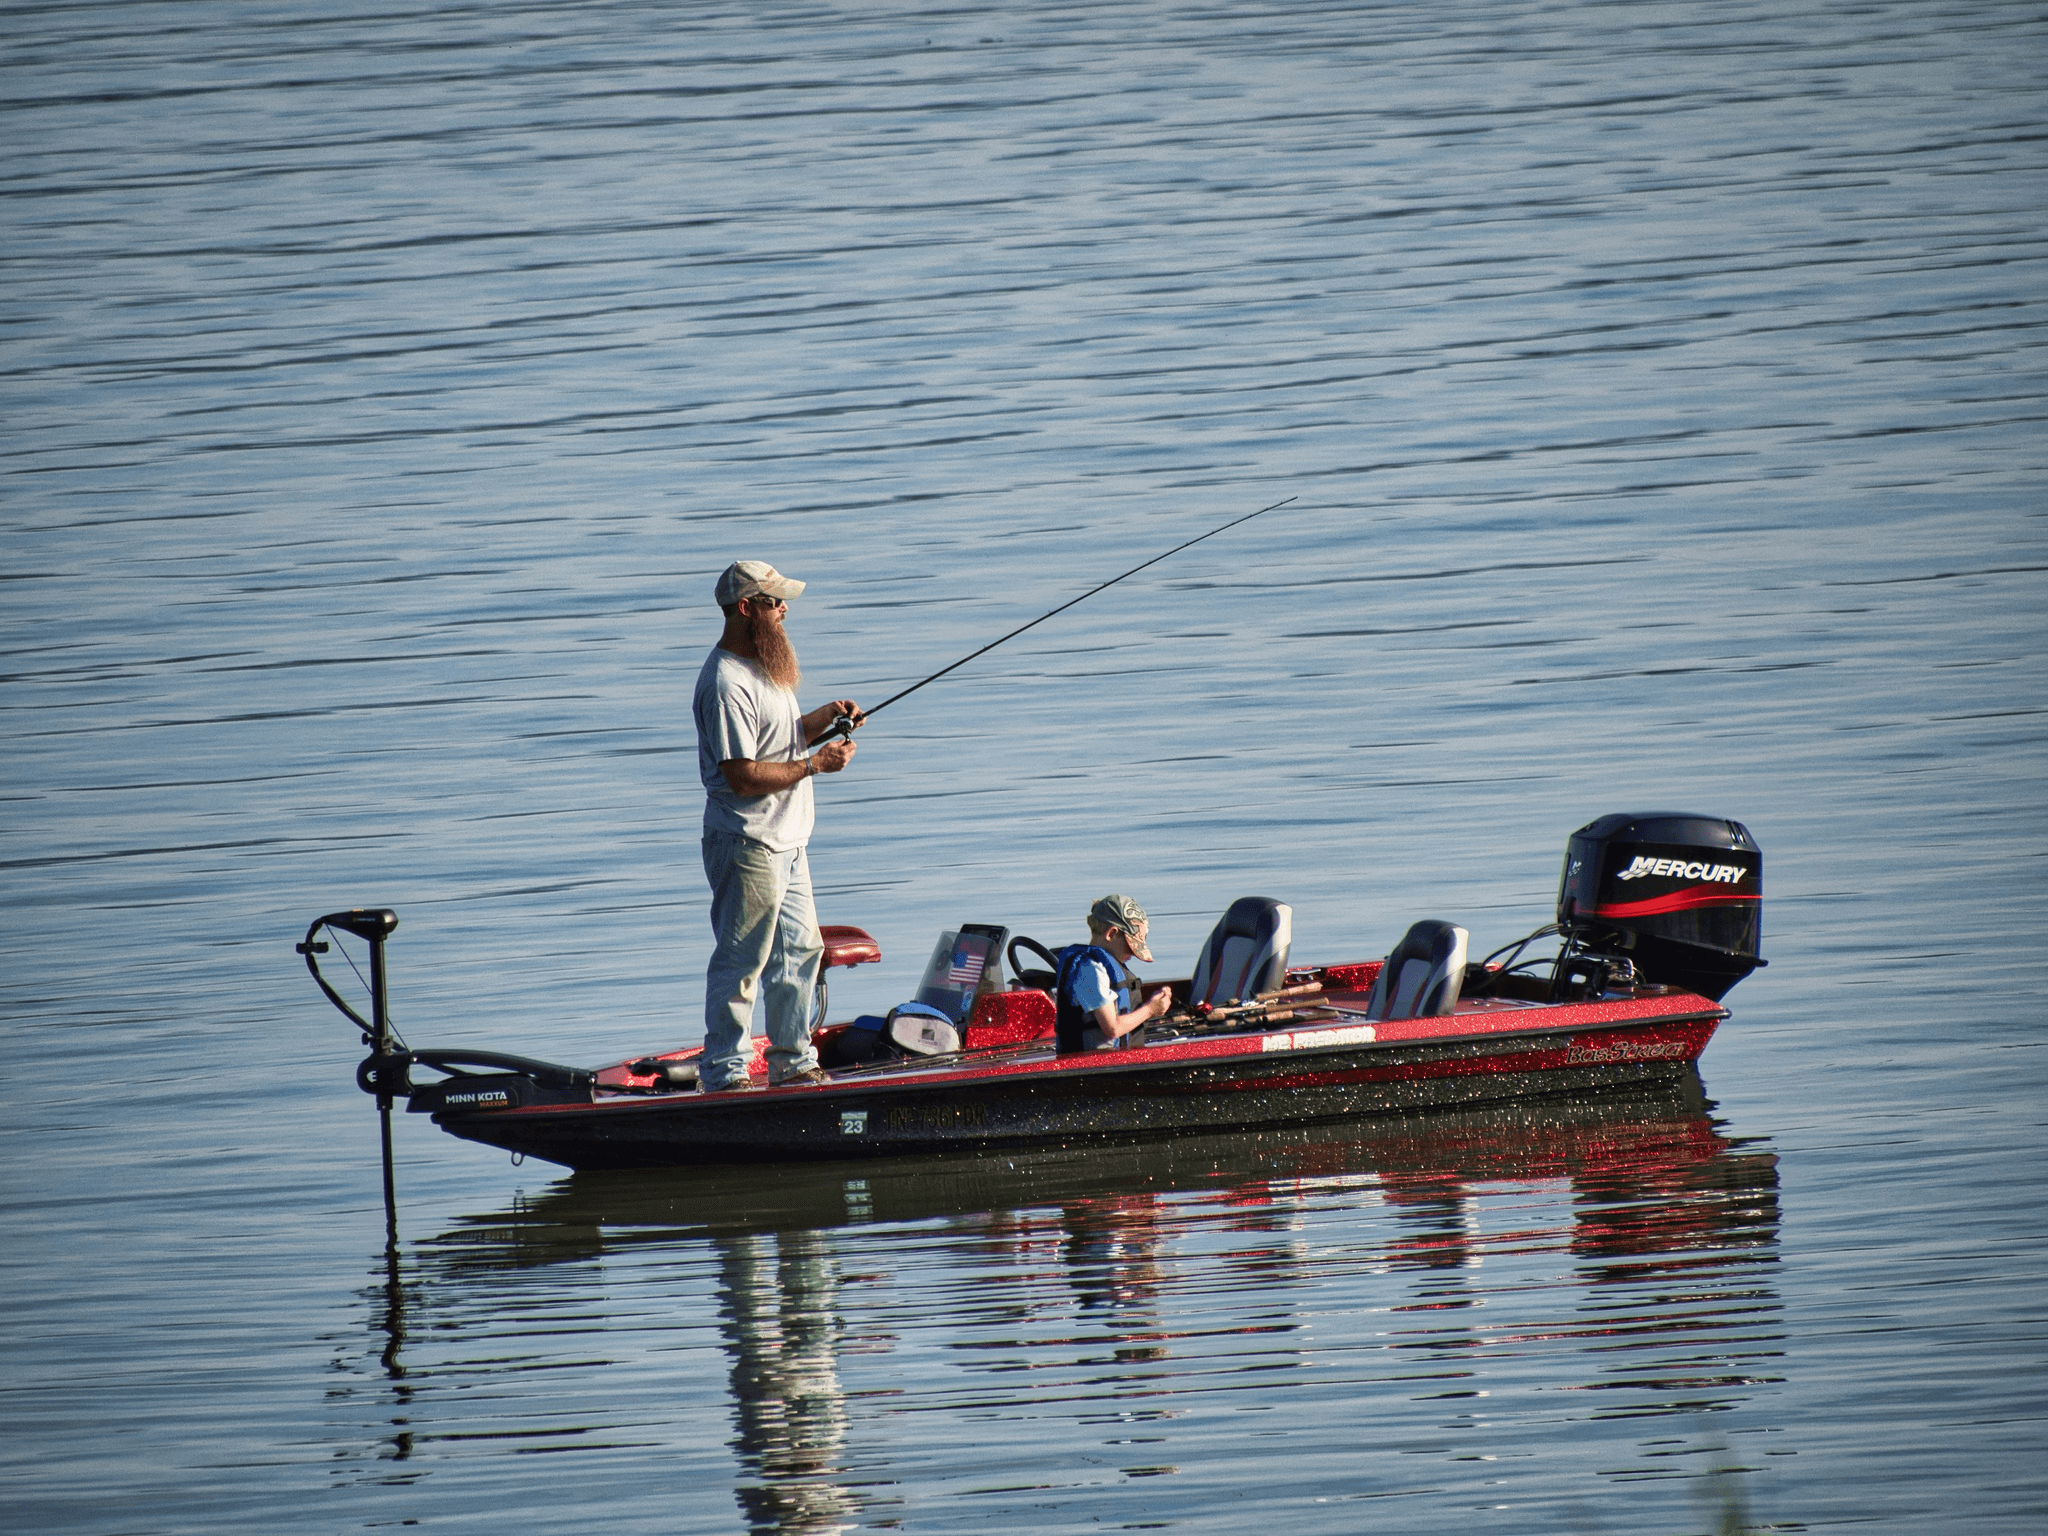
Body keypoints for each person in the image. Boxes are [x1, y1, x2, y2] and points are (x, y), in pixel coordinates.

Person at [694, 560, 863, 1091]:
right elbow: (743, 775)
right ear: (746, 608)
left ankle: (792, 1063)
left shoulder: (766, 667)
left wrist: (823, 719)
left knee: (800, 953)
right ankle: (726, 1073)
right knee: (743, 961)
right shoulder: (725, 682)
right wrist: (816, 764)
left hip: (788, 842)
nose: (785, 609)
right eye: (775, 602)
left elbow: (778, 740)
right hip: (748, 843)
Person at [1054, 894, 1175, 1053]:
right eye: (1130, 946)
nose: (1132, 954)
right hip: (1092, 1068)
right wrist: (1150, 1009)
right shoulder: (1090, 970)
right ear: (1111, 934)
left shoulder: (1100, 966)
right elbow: (1112, 1028)